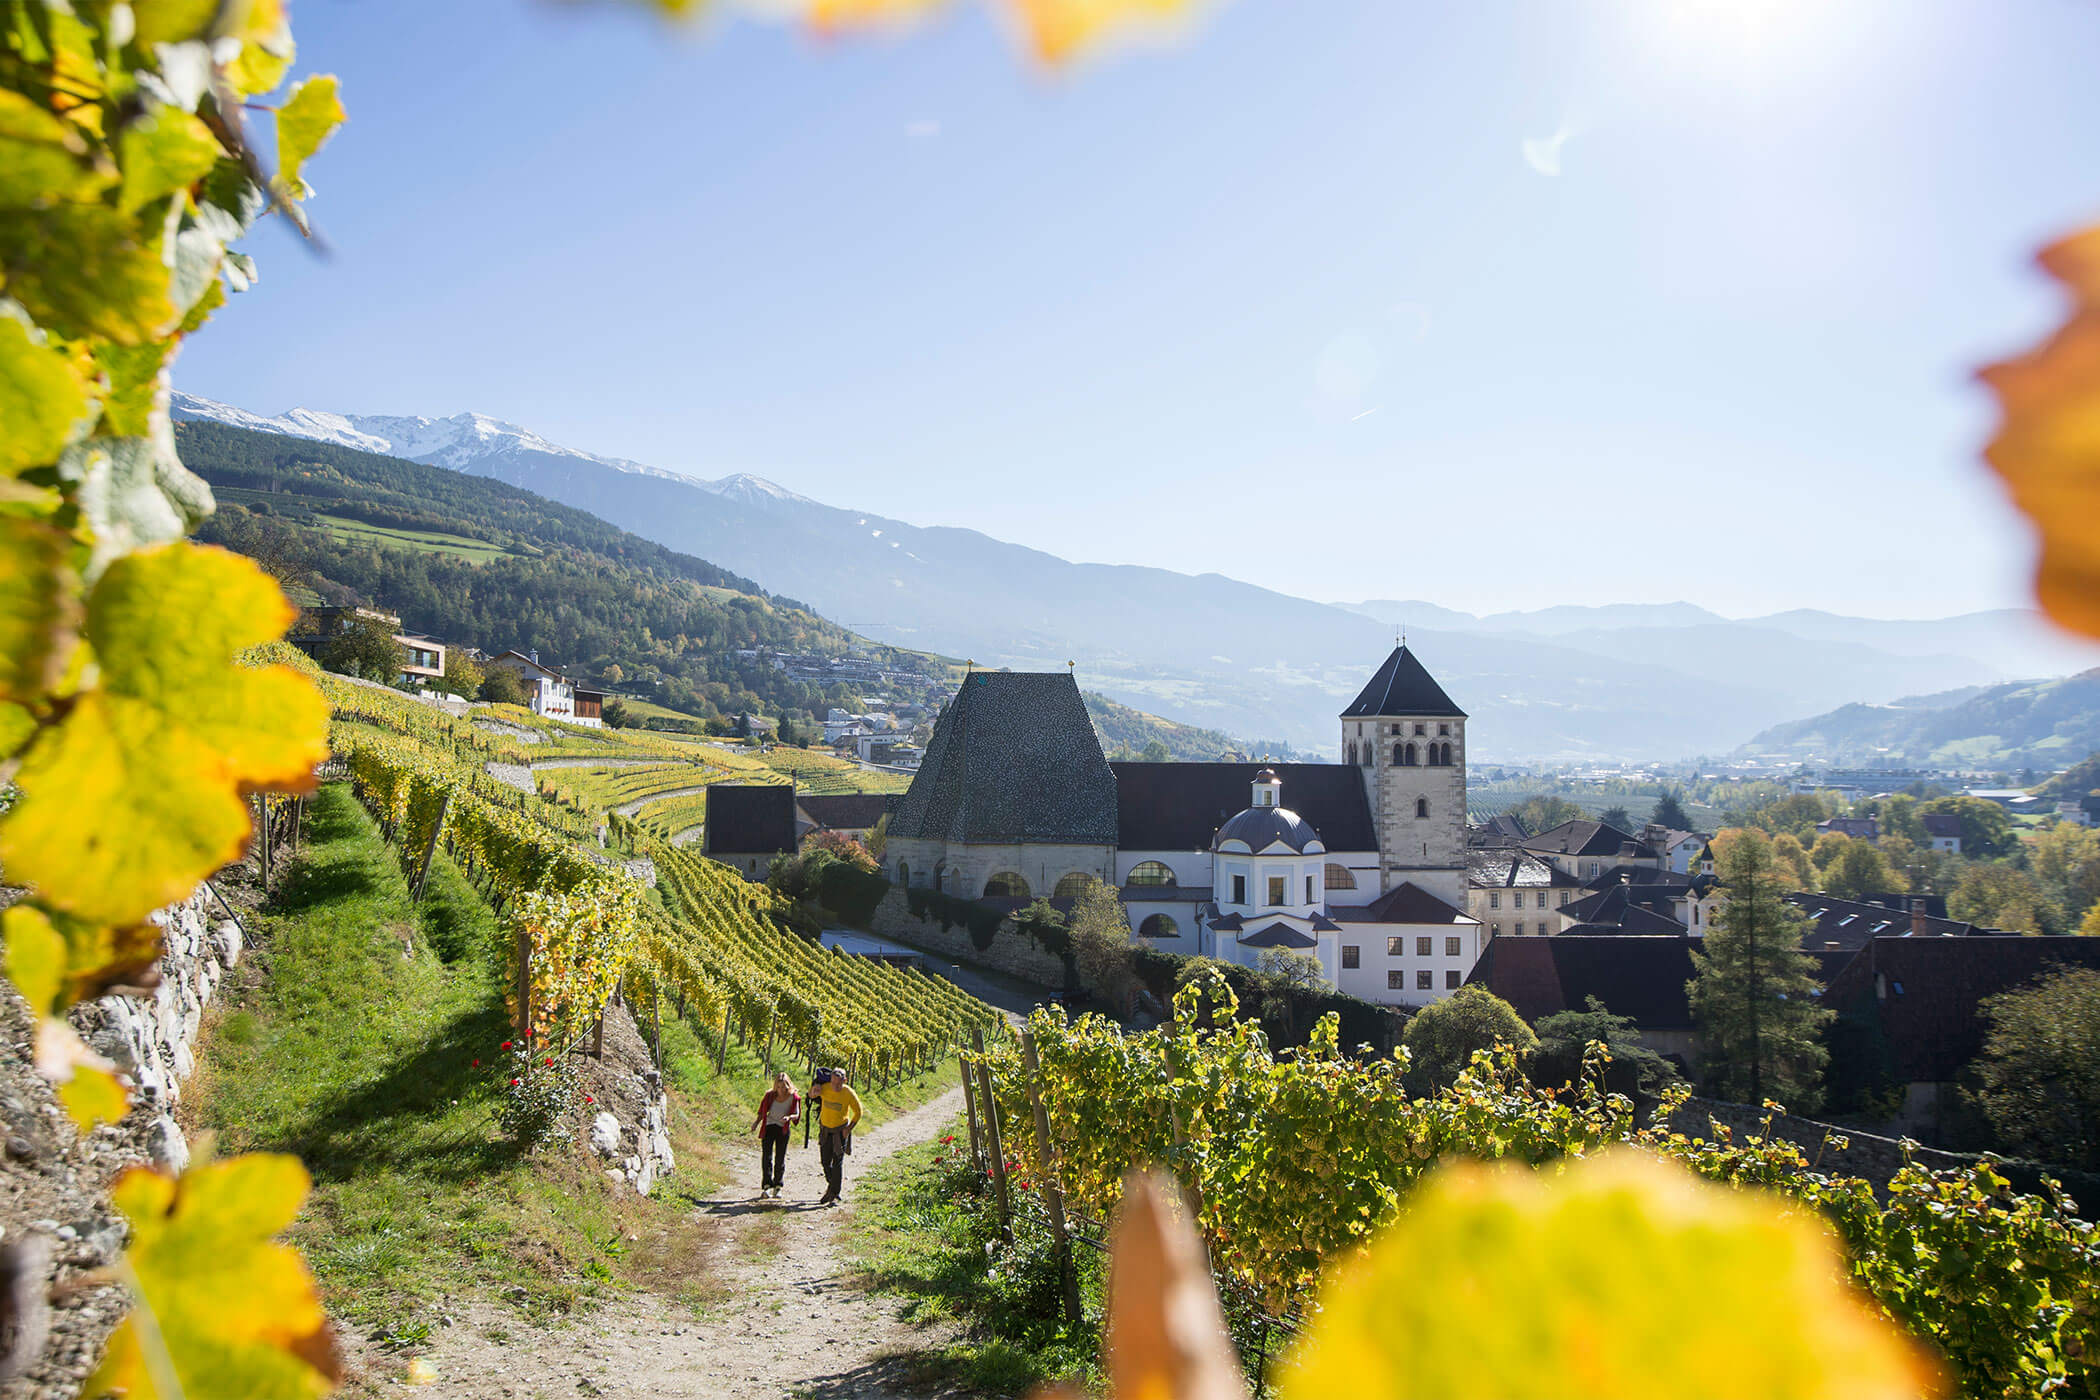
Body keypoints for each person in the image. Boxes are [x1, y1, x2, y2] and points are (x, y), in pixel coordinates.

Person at [810, 1066, 863, 1206]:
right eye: (833, 1082)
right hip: (825, 1130)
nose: (835, 1086)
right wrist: (813, 1091)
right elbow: (811, 1095)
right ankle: (832, 1188)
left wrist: (848, 1129)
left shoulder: (848, 1093)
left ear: (845, 1080)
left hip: (840, 1132)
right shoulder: (825, 1087)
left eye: (838, 1084)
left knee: (837, 1163)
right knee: (825, 1162)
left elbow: (858, 1112)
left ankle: (833, 1193)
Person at [750, 1072, 799, 1199]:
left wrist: (789, 1117)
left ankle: (778, 1186)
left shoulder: (793, 1097)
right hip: (769, 1127)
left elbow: (797, 1114)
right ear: (775, 1086)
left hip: (783, 1129)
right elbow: (762, 1111)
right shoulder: (770, 1095)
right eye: (778, 1087)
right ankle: (767, 1186)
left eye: (784, 1087)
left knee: (780, 1158)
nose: (781, 1090)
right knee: (767, 1157)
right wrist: (756, 1123)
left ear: (788, 1085)